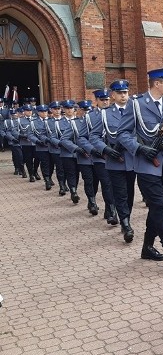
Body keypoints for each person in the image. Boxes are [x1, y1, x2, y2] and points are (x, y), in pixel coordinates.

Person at [117, 68, 163, 270]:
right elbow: (122, 134)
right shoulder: (137, 104)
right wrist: (140, 148)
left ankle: (147, 247)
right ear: (157, 83)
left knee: (156, 207)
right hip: (146, 164)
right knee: (159, 205)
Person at [90, 80, 136, 242]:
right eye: (120, 93)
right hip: (114, 160)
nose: (123, 95)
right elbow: (94, 136)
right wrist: (105, 149)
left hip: (131, 158)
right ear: (113, 95)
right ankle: (125, 224)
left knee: (130, 193)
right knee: (120, 193)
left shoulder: (135, 110)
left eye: (126, 92)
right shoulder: (105, 113)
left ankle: (127, 217)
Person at [86, 89, 118, 226]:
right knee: (106, 183)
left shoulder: (115, 113)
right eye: (102, 100)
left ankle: (109, 209)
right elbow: (83, 137)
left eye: (107, 99)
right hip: (100, 156)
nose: (105, 102)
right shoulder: (90, 116)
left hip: (115, 155)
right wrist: (94, 150)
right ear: (97, 101)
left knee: (114, 184)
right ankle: (111, 211)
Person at [61, 100, 98, 215]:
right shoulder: (75, 123)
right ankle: (91, 202)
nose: (87, 112)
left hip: (98, 157)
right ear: (79, 110)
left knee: (96, 181)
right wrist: (76, 148)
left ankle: (93, 198)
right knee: (88, 179)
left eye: (89, 109)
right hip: (83, 157)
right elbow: (64, 139)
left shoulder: (97, 121)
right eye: (84, 110)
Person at [57, 100, 81, 204]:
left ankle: (73, 187)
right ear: (64, 110)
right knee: (70, 172)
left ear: (74, 109)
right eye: (67, 108)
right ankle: (73, 191)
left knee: (76, 173)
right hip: (66, 152)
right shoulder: (58, 123)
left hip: (79, 152)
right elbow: (55, 137)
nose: (69, 110)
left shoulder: (80, 121)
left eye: (71, 108)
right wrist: (62, 144)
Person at [29, 104, 54, 190]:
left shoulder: (52, 120)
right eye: (42, 112)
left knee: (51, 164)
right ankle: (46, 179)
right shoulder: (33, 122)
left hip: (52, 146)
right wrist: (37, 141)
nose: (44, 113)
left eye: (46, 111)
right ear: (38, 112)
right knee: (45, 163)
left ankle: (50, 176)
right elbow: (30, 135)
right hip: (41, 147)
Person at [45, 101, 67, 195]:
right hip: (55, 148)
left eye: (58, 109)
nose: (57, 111)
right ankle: (61, 185)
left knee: (66, 168)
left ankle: (65, 183)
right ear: (51, 110)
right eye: (55, 109)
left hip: (66, 149)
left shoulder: (66, 121)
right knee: (60, 168)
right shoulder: (48, 122)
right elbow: (44, 135)